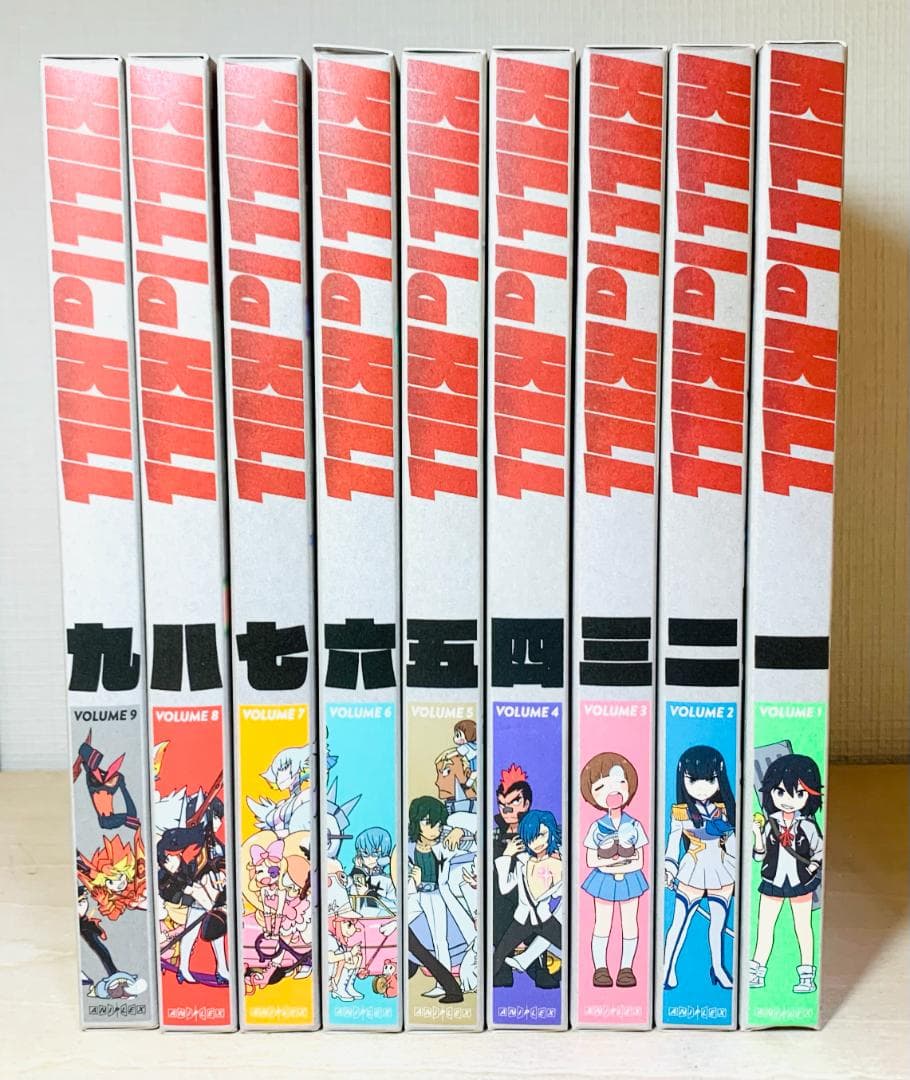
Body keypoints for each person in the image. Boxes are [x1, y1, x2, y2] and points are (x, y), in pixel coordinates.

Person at [748, 753, 824, 994]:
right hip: (773, 880)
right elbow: (758, 856)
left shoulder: (808, 825)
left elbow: (820, 850)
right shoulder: (769, 823)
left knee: (803, 927)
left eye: (798, 794)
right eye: (780, 792)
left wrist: (812, 866)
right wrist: (757, 834)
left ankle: (807, 976)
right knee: (764, 927)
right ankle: (756, 971)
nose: (789, 800)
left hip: (801, 882)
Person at [663, 746, 736, 991]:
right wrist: (669, 868)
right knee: (679, 923)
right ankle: (666, 970)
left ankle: (718, 969)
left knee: (717, 925)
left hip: (722, 870)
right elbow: (673, 844)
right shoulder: (681, 813)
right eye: (694, 780)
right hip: (692, 870)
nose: (702, 787)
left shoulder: (725, 811)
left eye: (710, 779)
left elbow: (732, 845)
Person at [579, 752, 648, 988]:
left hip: (631, 879)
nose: (612, 792)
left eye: (619, 782)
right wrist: (612, 864)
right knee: (602, 923)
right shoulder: (596, 827)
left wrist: (616, 862)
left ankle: (626, 968)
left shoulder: (634, 824)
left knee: (630, 923)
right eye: (601, 787)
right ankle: (600, 969)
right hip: (603, 880)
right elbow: (590, 860)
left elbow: (640, 861)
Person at [491, 809, 563, 987]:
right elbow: (505, 887)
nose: (537, 843)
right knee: (499, 955)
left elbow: (559, 893)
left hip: (544, 919)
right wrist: (507, 856)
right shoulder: (523, 862)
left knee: (572, 949)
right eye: (531, 838)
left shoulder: (557, 863)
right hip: (522, 918)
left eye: (541, 835)